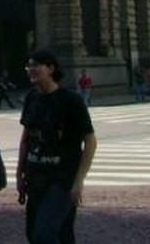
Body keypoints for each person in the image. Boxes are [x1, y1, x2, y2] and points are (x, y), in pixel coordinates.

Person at [16, 50, 96, 244]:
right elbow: (26, 138)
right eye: (29, 65)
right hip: (35, 177)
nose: (31, 69)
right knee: (55, 234)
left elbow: (90, 140)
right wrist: (19, 174)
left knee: (43, 235)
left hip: (62, 179)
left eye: (36, 65)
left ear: (51, 68)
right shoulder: (31, 98)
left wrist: (79, 180)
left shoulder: (71, 100)